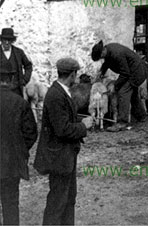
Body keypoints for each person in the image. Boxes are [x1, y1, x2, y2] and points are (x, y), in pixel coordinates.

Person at [34, 58, 94, 225]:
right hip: (59, 157)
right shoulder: (56, 95)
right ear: (73, 74)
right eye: (76, 74)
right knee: (58, 201)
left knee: (68, 199)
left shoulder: (61, 92)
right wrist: (83, 126)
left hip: (66, 155)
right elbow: (62, 129)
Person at [0, 69, 37, 225]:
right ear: (10, 80)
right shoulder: (20, 103)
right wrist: (20, 149)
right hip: (11, 164)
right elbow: (31, 133)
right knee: (11, 203)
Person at [91, 40, 147, 131]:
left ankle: (122, 122)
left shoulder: (117, 53)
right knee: (132, 94)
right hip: (134, 71)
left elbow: (125, 73)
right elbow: (107, 62)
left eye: (101, 57)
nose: (102, 58)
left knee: (123, 92)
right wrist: (101, 73)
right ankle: (141, 116)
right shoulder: (109, 49)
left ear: (102, 51)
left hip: (136, 72)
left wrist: (115, 85)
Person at [0, 28, 32, 97]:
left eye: (9, 40)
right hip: (0, 90)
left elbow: (28, 66)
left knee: (16, 106)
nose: (7, 42)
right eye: (4, 40)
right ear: (1, 40)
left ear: (12, 41)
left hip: (16, 90)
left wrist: (24, 80)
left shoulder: (19, 52)